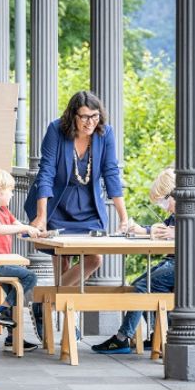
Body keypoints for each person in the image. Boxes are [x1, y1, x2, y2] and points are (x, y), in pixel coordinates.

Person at [91, 167, 195, 354]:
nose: (164, 207)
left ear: (174, 194)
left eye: (163, 201)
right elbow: (166, 228)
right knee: (141, 284)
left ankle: (122, 338)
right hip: (189, 262)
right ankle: (158, 336)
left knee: (143, 287)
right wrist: (141, 230)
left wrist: (176, 234)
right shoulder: (185, 209)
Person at [24, 91, 130, 339]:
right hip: (56, 205)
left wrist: (124, 217)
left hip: (88, 208)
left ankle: (45, 300)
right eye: (84, 117)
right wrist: (41, 216)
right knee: (61, 261)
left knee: (94, 259)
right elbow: (46, 172)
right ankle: (65, 324)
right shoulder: (55, 131)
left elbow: (111, 174)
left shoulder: (105, 134)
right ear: (73, 116)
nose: (90, 122)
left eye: (94, 116)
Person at [0, 169, 44, 351]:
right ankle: (0, 310)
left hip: (4, 263)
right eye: (10, 190)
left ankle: (11, 339)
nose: (13, 194)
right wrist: (22, 228)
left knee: (15, 298)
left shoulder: (4, 210)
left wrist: (36, 232)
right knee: (30, 278)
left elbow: (19, 228)